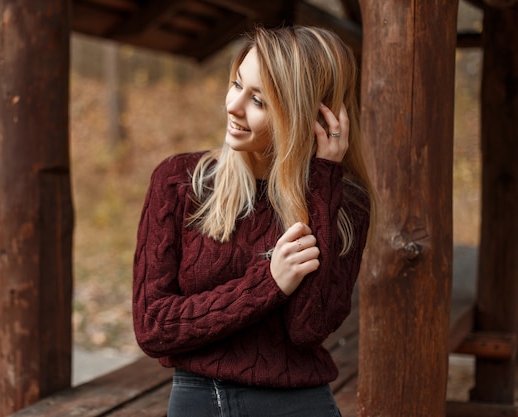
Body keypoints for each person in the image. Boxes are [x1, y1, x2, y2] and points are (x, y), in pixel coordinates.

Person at [132, 25, 373, 417]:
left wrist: (324, 183)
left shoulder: (344, 204)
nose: (233, 105)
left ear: (305, 116)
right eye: (236, 84)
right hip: (198, 398)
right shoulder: (179, 181)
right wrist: (269, 283)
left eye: (258, 100)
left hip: (297, 403)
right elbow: (153, 326)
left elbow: (308, 327)